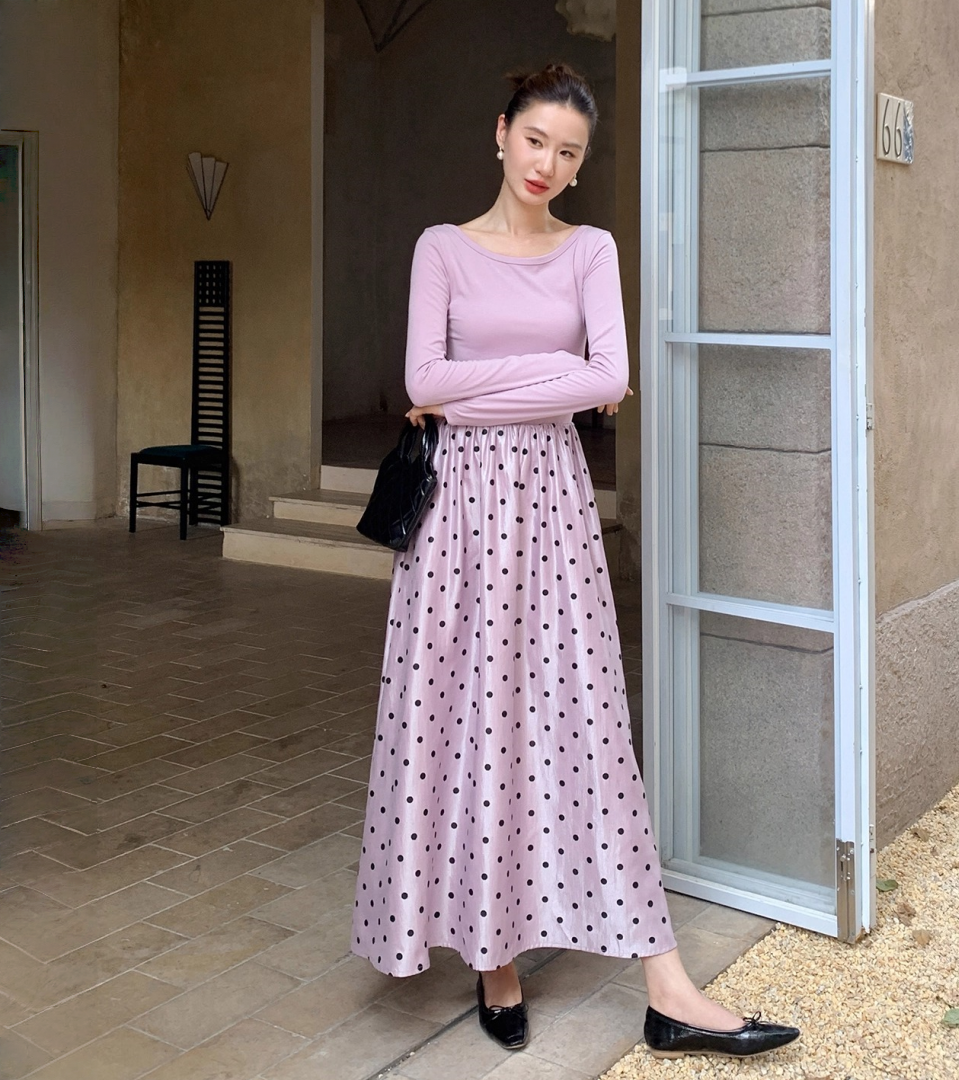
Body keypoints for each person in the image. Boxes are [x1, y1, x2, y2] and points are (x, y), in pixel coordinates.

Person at [351, 63, 800, 1061]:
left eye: (569, 151)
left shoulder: (590, 249)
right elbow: (422, 379)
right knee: (471, 721)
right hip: (457, 519)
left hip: (553, 512)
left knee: (585, 722)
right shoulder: (440, 247)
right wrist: (557, 374)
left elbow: (611, 376)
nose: (547, 164)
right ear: (499, 132)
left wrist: (484, 387)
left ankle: (667, 987)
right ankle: (494, 958)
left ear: (581, 163)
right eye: (535, 140)